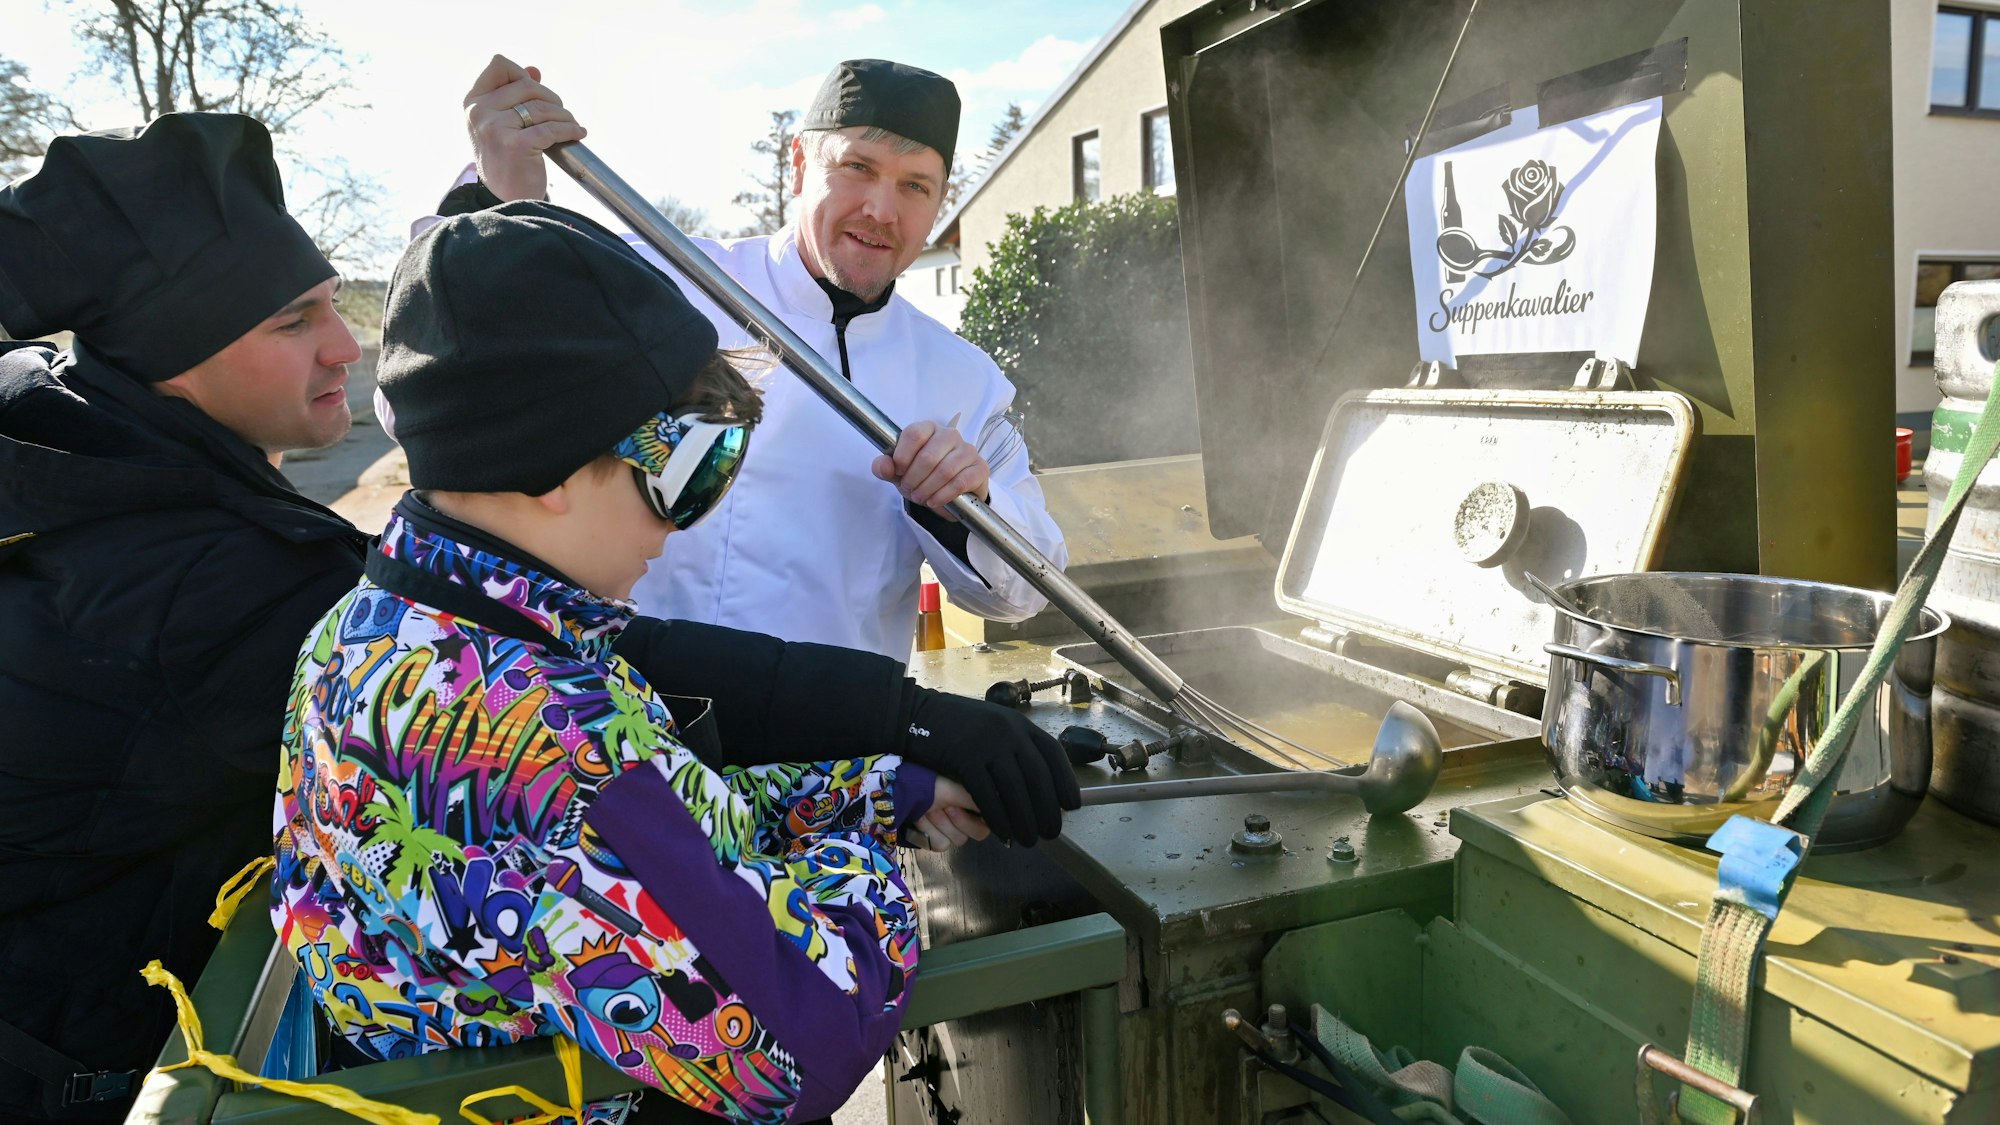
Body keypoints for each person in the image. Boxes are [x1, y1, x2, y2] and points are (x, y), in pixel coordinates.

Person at [276, 200, 987, 1124]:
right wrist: (878, 861)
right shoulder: (544, 731)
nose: (695, 514)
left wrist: (885, 788)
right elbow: (795, 1041)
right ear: (551, 467)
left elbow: (675, 824)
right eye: (687, 468)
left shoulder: (382, 626)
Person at [440, 55, 1069, 662]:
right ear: (799, 165)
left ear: (938, 203)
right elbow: (443, 409)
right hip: (628, 717)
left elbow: (1024, 592)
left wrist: (968, 503)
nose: (882, 209)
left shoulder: (963, 379)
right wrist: (499, 202)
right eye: (857, 167)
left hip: (832, 750)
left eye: (915, 185)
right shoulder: (656, 279)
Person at [0, 114, 370, 1120]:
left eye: (333, 305)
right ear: (174, 361)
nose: (345, 345)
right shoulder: (222, 579)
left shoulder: (79, 464)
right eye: (292, 322)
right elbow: (481, 701)